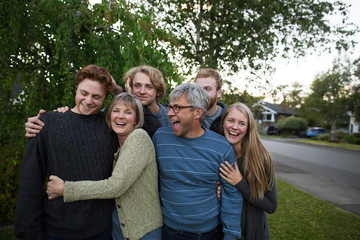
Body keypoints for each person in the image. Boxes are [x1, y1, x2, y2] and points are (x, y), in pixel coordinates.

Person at [15, 65, 119, 240]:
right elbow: (30, 181)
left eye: (96, 97)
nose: (88, 101)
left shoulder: (111, 126)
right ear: (76, 88)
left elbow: (137, 112)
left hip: (100, 230)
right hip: (55, 230)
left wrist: (116, 88)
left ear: (106, 98)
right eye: (83, 93)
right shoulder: (47, 124)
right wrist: (28, 231)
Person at [45, 93, 163, 240]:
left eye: (128, 112)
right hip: (120, 227)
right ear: (108, 116)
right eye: (116, 111)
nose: (120, 116)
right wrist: (61, 116)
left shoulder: (138, 138)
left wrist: (66, 189)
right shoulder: (114, 140)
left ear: (137, 119)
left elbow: (116, 186)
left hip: (143, 229)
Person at [152, 83, 243, 240]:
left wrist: (231, 235)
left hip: (209, 234)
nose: (169, 113)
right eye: (170, 107)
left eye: (177, 108)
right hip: (169, 232)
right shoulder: (159, 139)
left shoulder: (221, 148)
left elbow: (232, 195)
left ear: (198, 112)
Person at [218, 103, 277, 240]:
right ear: (223, 123)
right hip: (223, 232)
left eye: (242, 123)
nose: (234, 127)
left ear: (248, 128)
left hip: (252, 233)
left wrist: (240, 183)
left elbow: (271, 206)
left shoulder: (261, 159)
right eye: (231, 120)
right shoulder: (218, 154)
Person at [194, 68, 226, 134]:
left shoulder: (229, 120)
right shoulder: (187, 116)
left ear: (219, 92)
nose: (201, 94)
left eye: (207, 89)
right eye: (198, 89)